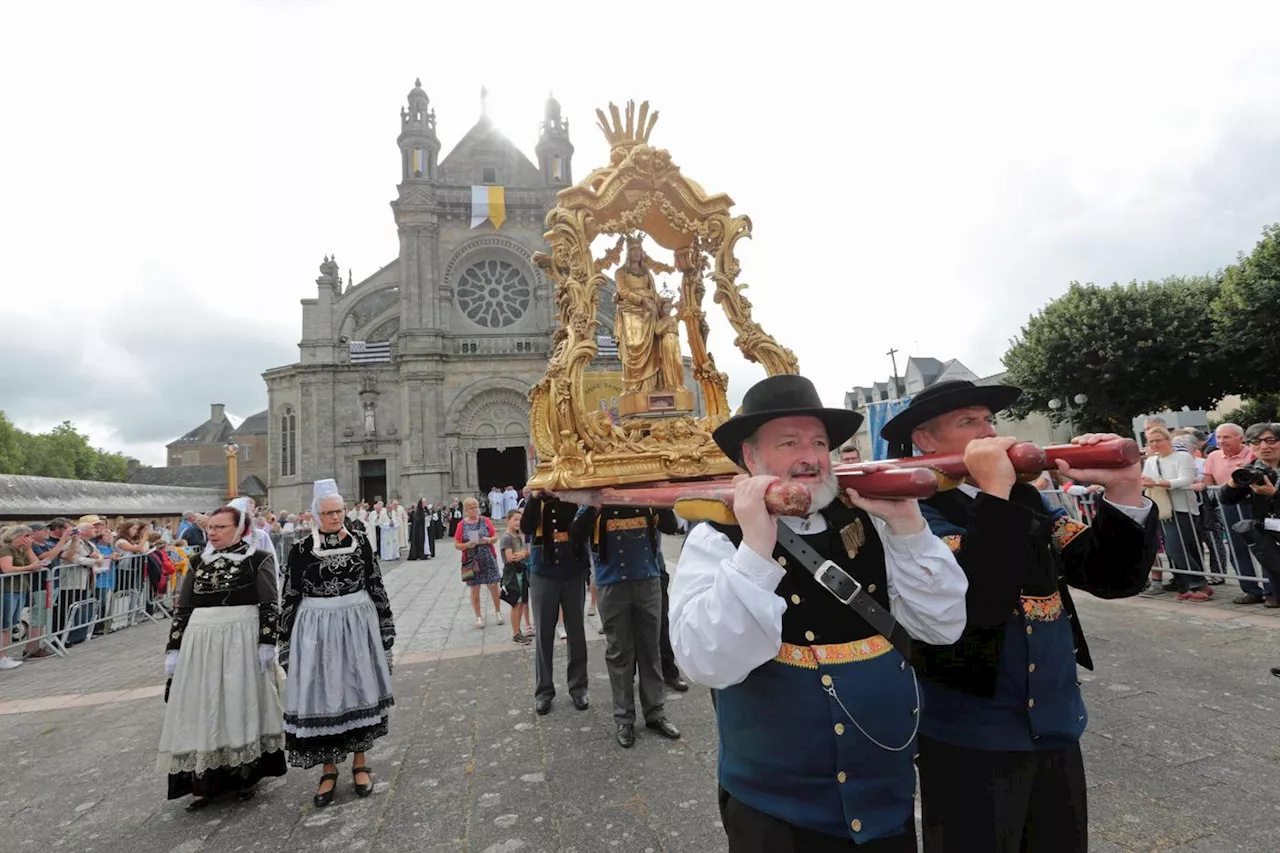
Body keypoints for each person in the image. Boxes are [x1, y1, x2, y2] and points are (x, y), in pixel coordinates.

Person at [669, 374, 969, 853]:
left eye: (818, 442)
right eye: (788, 443)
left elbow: (942, 624)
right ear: (751, 458)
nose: (809, 456)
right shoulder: (716, 537)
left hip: (883, 798)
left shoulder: (868, 517)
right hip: (778, 812)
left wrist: (909, 524)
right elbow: (706, 662)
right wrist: (755, 550)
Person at [879, 378, 1156, 853]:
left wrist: (1125, 489)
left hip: (1056, 721)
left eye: (989, 420)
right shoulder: (911, 510)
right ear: (925, 439)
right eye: (969, 422)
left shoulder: (1027, 499)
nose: (990, 433)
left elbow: (1111, 578)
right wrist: (995, 492)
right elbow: (976, 605)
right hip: (970, 731)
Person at [156, 503, 287, 811]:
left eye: (219, 527)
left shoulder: (258, 559)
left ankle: (244, 774)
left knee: (238, 701)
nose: (212, 533)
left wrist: (267, 642)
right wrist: (174, 647)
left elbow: (270, 602)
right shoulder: (198, 560)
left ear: (239, 529)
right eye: (209, 528)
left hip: (240, 638)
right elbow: (184, 606)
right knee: (202, 704)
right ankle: (204, 779)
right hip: (201, 641)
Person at [280, 481, 395, 809]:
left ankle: (360, 763)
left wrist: (386, 626)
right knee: (324, 693)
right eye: (328, 512)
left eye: (339, 511)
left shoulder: (360, 543)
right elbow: (290, 594)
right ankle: (328, 769)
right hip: (317, 627)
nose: (334, 517)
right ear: (316, 515)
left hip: (357, 625)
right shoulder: (301, 549)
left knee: (359, 688)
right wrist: (284, 640)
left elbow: (375, 582)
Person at [579, 501, 682, 748]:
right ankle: (624, 719)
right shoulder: (594, 503)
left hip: (647, 582)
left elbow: (671, 526)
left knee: (650, 650)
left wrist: (656, 498)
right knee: (619, 653)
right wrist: (594, 505)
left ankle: (655, 713)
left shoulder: (644, 502)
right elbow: (576, 534)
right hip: (611, 585)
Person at [521, 491, 593, 715]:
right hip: (544, 570)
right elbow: (527, 526)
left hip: (573, 569)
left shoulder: (575, 496)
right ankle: (544, 691)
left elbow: (585, 529)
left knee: (576, 632)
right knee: (544, 633)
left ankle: (578, 687)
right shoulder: (537, 500)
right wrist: (533, 497)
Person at [1141, 425, 1208, 600]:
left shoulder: (1182, 456)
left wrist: (1157, 482)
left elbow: (1185, 480)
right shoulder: (1151, 461)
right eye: (1151, 441)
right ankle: (1189, 584)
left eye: (1158, 440)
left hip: (1184, 507)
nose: (1155, 444)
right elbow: (1144, 480)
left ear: (1167, 440)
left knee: (1176, 548)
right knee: (1179, 548)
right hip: (1163, 508)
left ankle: (1197, 583)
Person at [1204, 423, 1267, 604]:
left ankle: (1271, 589)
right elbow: (1207, 478)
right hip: (1228, 506)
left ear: (1240, 438)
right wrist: (1207, 485)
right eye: (1219, 437)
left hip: (1254, 504)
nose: (1222, 441)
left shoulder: (1253, 453)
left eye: (1227, 437)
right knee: (1236, 548)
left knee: (1263, 547)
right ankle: (1250, 590)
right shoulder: (1214, 456)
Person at [454, 498, 503, 628]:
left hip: (487, 557)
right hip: (471, 560)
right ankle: (478, 617)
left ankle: (498, 612)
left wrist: (487, 540)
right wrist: (467, 545)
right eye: (471, 508)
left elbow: (495, 537)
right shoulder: (461, 525)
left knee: (493, 585)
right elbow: (457, 544)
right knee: (475, 589)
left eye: (476, 507)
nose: (474, 510)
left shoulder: (485, 521)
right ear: (466, 510)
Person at [500, 510, 532, 645]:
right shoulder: (507, 538)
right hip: (513, 572)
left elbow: (528, 552)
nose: (518, 522)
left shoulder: (519, 536)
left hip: (521, 570)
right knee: (516, 602)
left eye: (520, 520)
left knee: (522, 602)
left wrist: (524, 554)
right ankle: (515, 632)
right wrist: (521, 554)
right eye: (515, 519)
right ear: (508, 520)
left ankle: (519, 631)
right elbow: (509, 557)